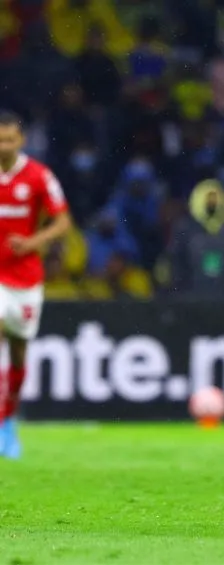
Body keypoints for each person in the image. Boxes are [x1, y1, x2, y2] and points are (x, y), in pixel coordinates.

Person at [0, 111, 73, 458]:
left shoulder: (39, 176)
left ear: (21, 140)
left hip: (26, 277)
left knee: (18, 351)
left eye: (9, 140)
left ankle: (8, 420)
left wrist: (32, 243)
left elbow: (63, 221)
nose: (3, 146)